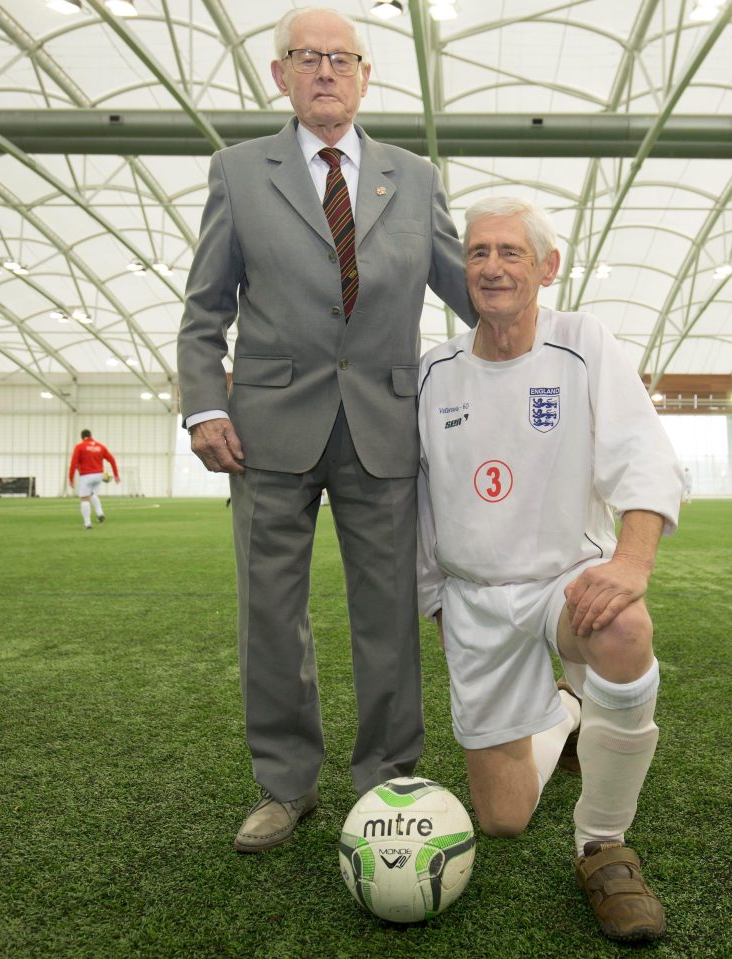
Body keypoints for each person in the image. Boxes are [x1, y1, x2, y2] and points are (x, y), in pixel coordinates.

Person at [176, 6, 475, 854]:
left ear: (365, 76)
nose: (325, 72)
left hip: (384, 423)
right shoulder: (238, 172)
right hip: (264, 429)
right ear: (280, 75)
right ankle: (284, 785)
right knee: (271, 612)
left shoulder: (413, 178)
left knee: (386, 612)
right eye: (306, 58)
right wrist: (204, 404)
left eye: (342, 58)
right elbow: (203, 310)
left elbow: (464, 287)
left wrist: (549, 334)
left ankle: (387, 781)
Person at [417, 197, 683, 942]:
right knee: (501, 819)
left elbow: (643, 454)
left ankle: (602, 843)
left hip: (565, 580)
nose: (492, 267)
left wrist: (630, 560)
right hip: (473, 597)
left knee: (624, 628)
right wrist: (433, 602)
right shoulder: (432, 371)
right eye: (478, 252)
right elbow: (413, 500)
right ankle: (567, 712)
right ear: (462, 267)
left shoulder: (580, 342)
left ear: (546, 266)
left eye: (509, 252)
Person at [68, 429, 120, 529]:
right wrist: (116, 475)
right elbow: (112, 460)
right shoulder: (100, 446)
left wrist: (70, 478)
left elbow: (73, 463)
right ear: (91, 436)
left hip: (86, 476)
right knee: (92, 494)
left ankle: (87, 524)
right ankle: (100, 514)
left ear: (82, 437)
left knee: (84, 498)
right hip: (99, 475)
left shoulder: (79, 447)